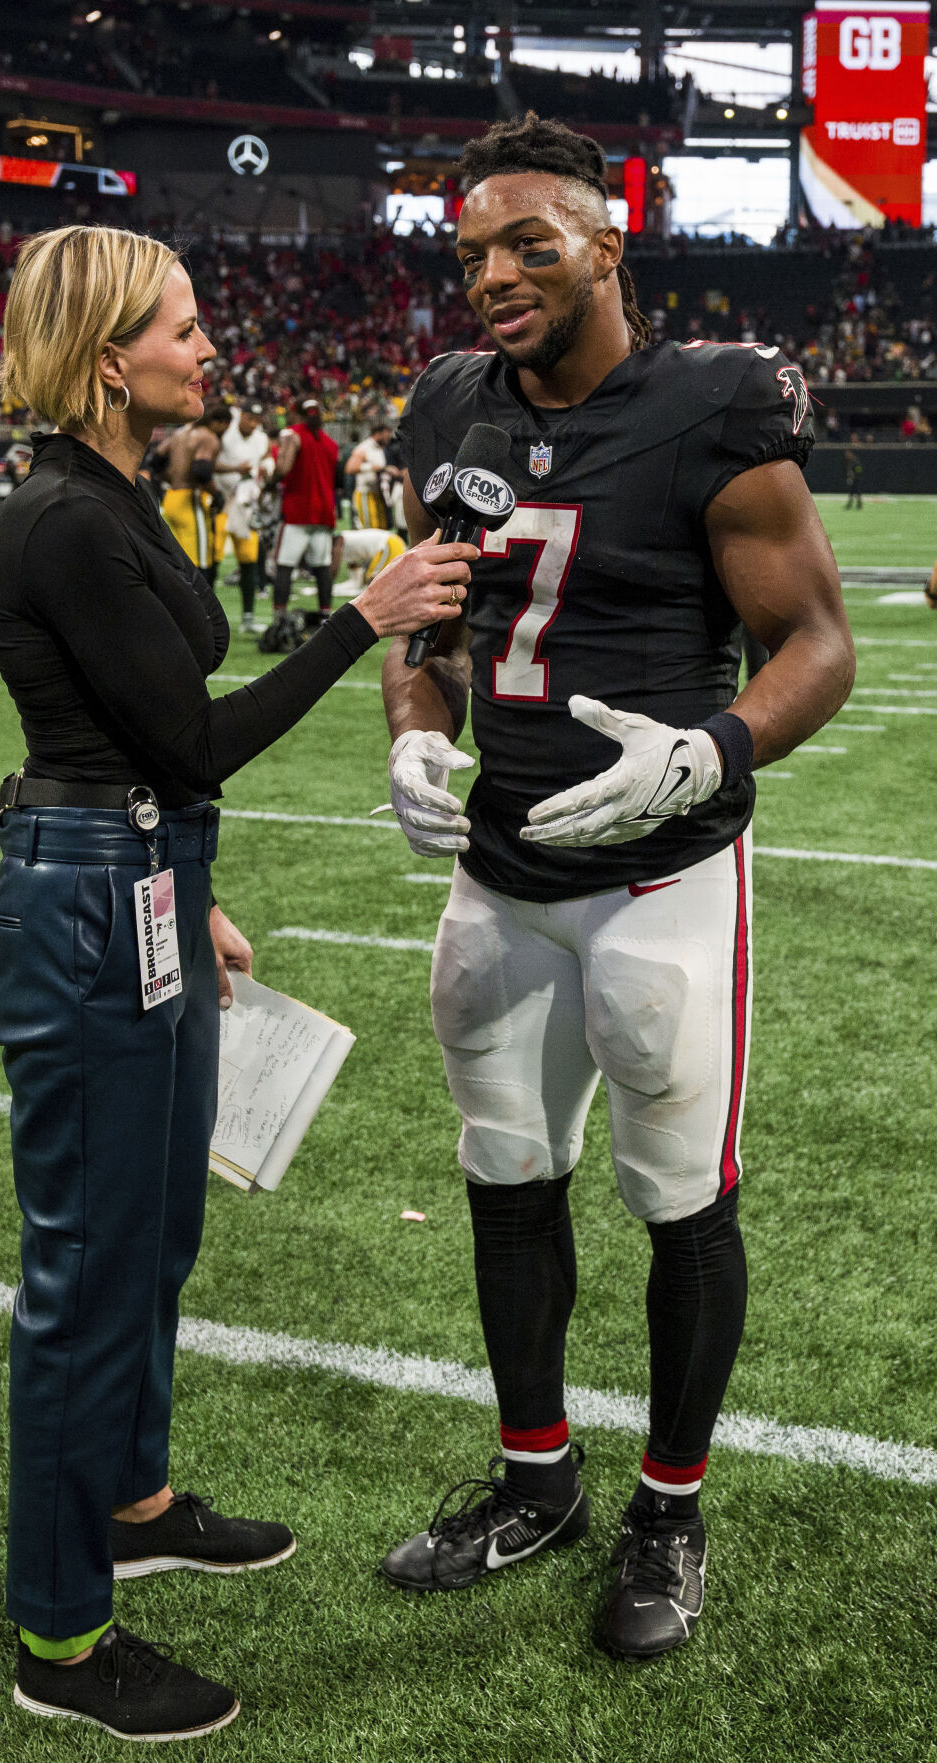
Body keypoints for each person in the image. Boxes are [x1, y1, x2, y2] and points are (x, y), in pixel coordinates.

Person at [0, 222, 475, 1742]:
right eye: (181, 329)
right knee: (84, 1272)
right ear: (105, 352)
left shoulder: (120, 491)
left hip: (137, 879)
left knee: (160, 1233)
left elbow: (127, 741)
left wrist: (186, 893)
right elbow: (187, 740)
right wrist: (361, 619)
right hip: (85, 897)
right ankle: (59, 1635)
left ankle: (128, 1496)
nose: (208, 350)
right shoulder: (61, 516)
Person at [377, 114, 855, 1661]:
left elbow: (815, 645)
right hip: (500, 867)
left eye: (527, 243)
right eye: (469, 255)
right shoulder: (448, 401)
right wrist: (413, 732)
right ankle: (536, 1476)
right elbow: (426, 623)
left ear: (607, 242)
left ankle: (666, 1501)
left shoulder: (713, 403)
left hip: (658, 875)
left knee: (670, 1192)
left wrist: (708, 752)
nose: (493, 276)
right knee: (503, 1166)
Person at [268, 397, 338, 620]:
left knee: (285, 565)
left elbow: (283, 468)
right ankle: (325, 615)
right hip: (324, 512)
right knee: (321, 567)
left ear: (296, 414)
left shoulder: (292, 434)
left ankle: (280, 617)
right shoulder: (330, 443)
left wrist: (268, 484)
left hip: (298, 511)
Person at [159, 398, 230, 584]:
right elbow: (201, 471)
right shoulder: (207, 436)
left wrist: (174, 478)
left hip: (171, 498)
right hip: (190, 500)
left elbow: (156, 459)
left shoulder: (180, 433)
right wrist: (216, 494)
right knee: (199, 561)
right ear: (219, 422)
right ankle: (200, 612)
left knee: (179, 560)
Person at [213, 401, 270, 632]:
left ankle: (248, 617)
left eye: (257, 420)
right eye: (250, 418)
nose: (253, 424)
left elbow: (266, 458)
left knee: (249, 559)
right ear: (241, 417)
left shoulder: (261, 438)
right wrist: (237, 470)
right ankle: (205, 617)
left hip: (246, 505)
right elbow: (210, 461)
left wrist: (268, 466)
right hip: (222, 502)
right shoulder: (225, 433)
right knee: (212, 559)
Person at [333, 525, 406, 598]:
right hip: (389, 543)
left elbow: (333, 570)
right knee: (369, 587)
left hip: (389, 544)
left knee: (373, 586)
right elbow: (355, 573)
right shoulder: (346, 545)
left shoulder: (339, 541)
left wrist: (326, 584)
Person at [345, 421, 394, 530]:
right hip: (365, 493)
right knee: (371, 529)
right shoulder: (364, 448)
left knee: (382, 528)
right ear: (378, 434)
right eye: (386, 435)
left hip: (378, 493)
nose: (388, 438)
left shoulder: (381, 448)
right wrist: (371, 467)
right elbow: (349, 468)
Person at [844, 446, 863, 510]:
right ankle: (851, 504)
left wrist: (855, 476)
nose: (846, 455)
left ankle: (858, 504)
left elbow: (859, 469)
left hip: (856, 479)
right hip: (853, 479)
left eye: (847, 453)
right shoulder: (850, 460)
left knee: (857, 491)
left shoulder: (855, 460)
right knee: (852, 492)